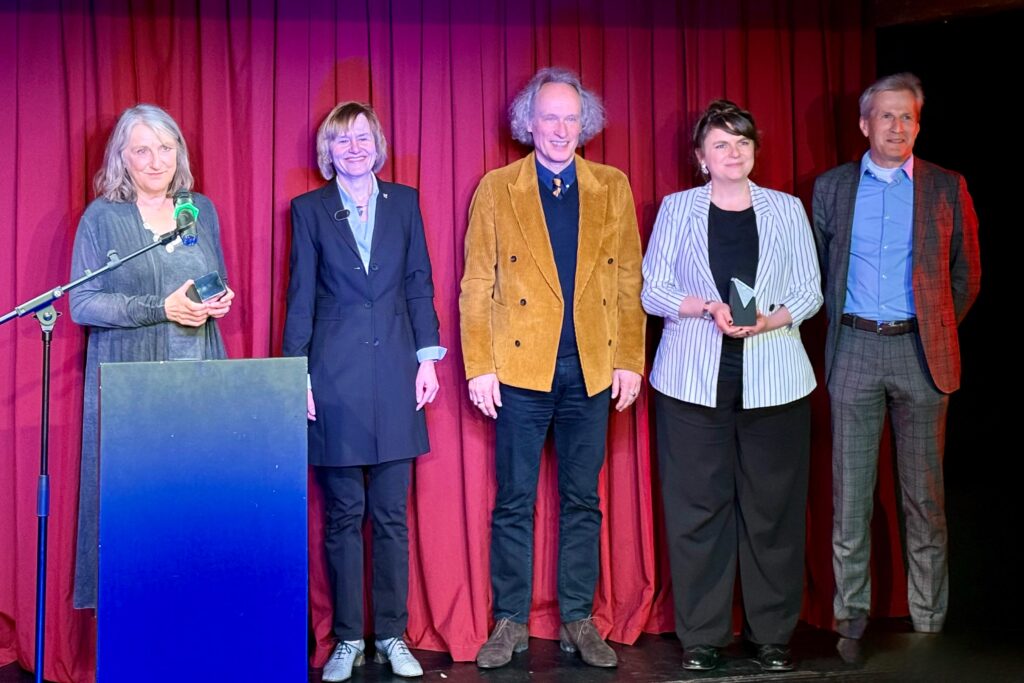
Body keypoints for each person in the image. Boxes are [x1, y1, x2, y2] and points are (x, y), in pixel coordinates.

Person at [459, 67, 645, 669]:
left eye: (571, 117)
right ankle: (509, 620)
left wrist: (629, 360)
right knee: (513, 498)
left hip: (590, 368)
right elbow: (475, 283)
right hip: (519, 368)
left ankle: (577, 618)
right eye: (549, 117)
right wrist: (478, 366)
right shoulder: (497, 187)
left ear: (583, 123)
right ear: (528, 123)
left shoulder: (610, 186)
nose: (560, 128)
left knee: (581, 500)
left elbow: (627, 281)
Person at [641, 100, 822, 672]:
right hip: (693, 382)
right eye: (720, 144)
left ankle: (772, 634)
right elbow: (652, 290)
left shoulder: (788, 210)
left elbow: (810, 291)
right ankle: (703, 637)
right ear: (701, 158)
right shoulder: (676, 209)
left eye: (742, 141)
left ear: (754, 151)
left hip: (775, 382)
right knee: (698, 509)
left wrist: (766, 319)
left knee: (773, 512)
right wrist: (705, 308)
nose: (733, 152)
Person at [812, 73, 981, 649]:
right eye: (886, 116)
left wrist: (933, 326)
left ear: (918, 124)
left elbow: (966, 274)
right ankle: (851, 620)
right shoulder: (832, 187)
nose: (897, 126)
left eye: (907, 116)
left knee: (924, 500)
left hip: (920, 353)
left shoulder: (946, 187)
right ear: (864, 124)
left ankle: (928, 622)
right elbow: (818, 271)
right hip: (855, 349)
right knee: (850, 498)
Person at [283, 102, 443, 682]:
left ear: (378, 144)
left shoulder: (405, 202)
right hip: (333, 379)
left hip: (399, 374)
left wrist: (428, 358)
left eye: (363, 137)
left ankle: (394, 635)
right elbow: (300, 296)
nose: (354, 148)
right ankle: (349, 638)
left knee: (392, 517)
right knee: (344, 516)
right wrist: (295, 372)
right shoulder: (308, 211)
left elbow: (418, 281)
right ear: (327, 151)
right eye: (342, 140)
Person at [70, 103, 235, 609]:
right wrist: (158, 308)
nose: (156, 160)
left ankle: (198, 622)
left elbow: (215, 278)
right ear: (122, 157)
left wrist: (219, 300)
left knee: (197, 509)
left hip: (200, 378)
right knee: (136, 516)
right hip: (133, 386)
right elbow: (82, 302)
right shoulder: (103, 217)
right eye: (142, 150)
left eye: (166, 148)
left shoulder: (199, 209)